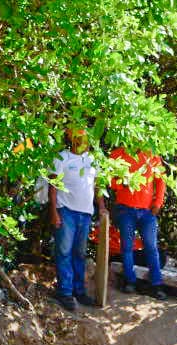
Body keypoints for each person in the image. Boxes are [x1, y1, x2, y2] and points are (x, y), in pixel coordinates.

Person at [49, 129, 106, 312]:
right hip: (66, 211)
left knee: (79, 253)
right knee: (64, 251)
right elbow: (53, 187)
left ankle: (78, 290)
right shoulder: (62, 157)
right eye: (78, 138)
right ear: (71, 139)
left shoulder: (92, 159)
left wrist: (102, 206)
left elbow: (98, 185)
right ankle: (65, 292)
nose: (82, 141)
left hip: (86, 213)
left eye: (84, 138)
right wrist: (54, 213)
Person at [111, 147, 167, 301]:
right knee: (127, 247)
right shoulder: (119, 153)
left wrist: (158, 203)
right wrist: (123, 183)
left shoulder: (152, 154)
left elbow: (161, 181)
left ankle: (156, 285)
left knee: (151, 247)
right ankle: (130, 281)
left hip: (147, 211)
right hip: (125, 209)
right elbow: (109, 179)